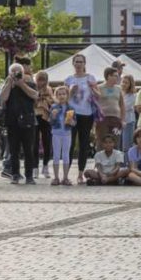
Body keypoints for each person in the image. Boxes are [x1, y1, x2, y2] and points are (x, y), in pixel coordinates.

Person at [0, 62, 39, 185]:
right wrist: (9, 83)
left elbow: (35, 95)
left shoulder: (30, 84)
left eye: (18, 72)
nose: (16, 74)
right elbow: (3, 98)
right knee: (14, 150)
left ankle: (29, 176)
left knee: (29, 150)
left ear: (23, 73)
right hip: (12, 122)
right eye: (14, 72)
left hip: (28, 121)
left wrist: (21, 84)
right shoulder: (7, 85)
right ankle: (15, 174)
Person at [65, 54, 99, 183]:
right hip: (71, 113)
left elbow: (98, 96)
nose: (78, 64)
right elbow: (63, 99)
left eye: (81, 62)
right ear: (73, 64)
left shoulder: (90, 78)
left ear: (85, 64)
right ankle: (66, 175)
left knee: (84, 144)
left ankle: (80, 174)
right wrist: (70, 92)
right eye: (76, 62)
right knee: (70, 143)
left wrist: (92, 88)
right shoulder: (68, 79)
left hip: (87, 113)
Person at [49, 86, 74, 186]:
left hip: (67, 133)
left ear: (67, 95)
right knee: (56, 155)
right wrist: (53, 116)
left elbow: (74, 122)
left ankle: (66, 177)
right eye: (59, 94)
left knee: (66, 155)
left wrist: (72, 122)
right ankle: (56, 177)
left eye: (64, 94)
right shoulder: (53, 107)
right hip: (56, 133)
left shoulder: (70, 108)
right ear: (56, 96)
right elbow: (50, 121)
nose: (62, 96)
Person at [33, 71, 54, 179]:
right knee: (34, 143)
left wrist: (45, 98)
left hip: (46, 117)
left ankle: (45, 166)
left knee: (47, 142)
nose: (41, 82)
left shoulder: (49, 89)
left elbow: (53, 101)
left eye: (43, 80)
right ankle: (35, 167)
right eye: (39, 79)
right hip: (35, 116)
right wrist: (37, 98)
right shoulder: (32, 88)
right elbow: (31, 101)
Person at [120, 74, 138, 152]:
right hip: (118, 122)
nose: (124, 84)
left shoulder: (133, 96)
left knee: (127, 145)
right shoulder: (119, 93)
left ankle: (127, 162)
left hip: (128, 122)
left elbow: (125, 107)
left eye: (126, 82)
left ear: (130, 84)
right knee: (119, 144)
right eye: (123, 82)